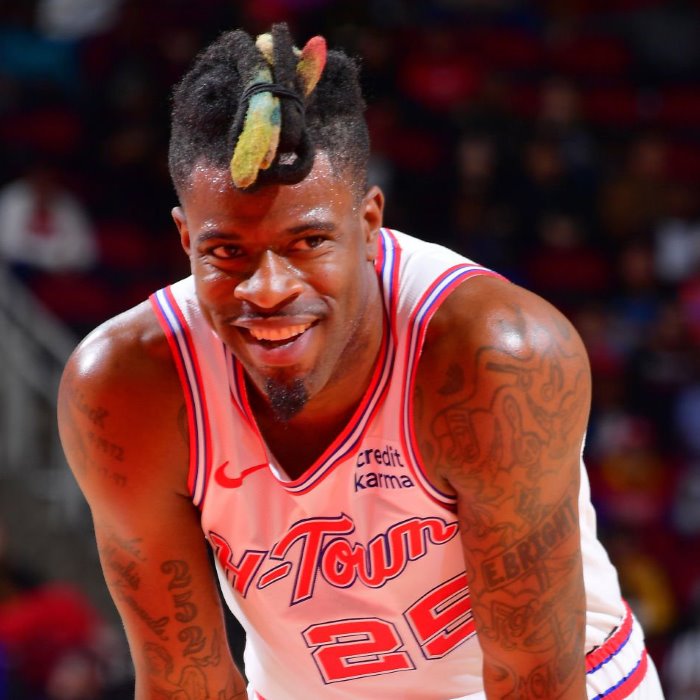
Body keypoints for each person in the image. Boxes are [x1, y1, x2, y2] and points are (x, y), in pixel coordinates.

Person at [57, 22, 665, 699]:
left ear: (370, 224)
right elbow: (184, 684)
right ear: (184, 238)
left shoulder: (496, 357)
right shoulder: (126, 386)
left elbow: (532, 678)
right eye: (227, 252)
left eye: (308, 242)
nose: (269, 289)